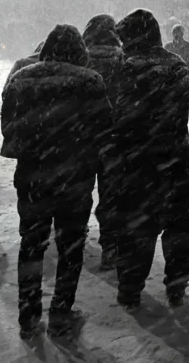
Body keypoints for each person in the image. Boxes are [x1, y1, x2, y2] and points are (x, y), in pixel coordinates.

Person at [1, 24, 112, 339]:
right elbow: (104, 129)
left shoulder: (20, 79)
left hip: (32, 177)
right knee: (70, 246)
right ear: (79, 51)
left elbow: (9, 128)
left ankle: (28, 313)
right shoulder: (90, 81)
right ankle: (61, 313)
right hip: (74, 179)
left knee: (31, 244)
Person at [110, 9, 189, 309]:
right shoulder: (177, 67)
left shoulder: (122, 68)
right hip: (173, 160)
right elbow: (179, 114)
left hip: (135, 164)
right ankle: (176, 287)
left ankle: (130, 289)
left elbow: (116, 118)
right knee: (177, 228)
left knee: (136, 230)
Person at [82, 14, 123, 271]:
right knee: (111, 195)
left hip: (83, 139)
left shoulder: (81, 61)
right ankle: (110, 246)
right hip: (114, 140)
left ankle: (75, 238)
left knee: (80, 192)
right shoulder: (124, 60)